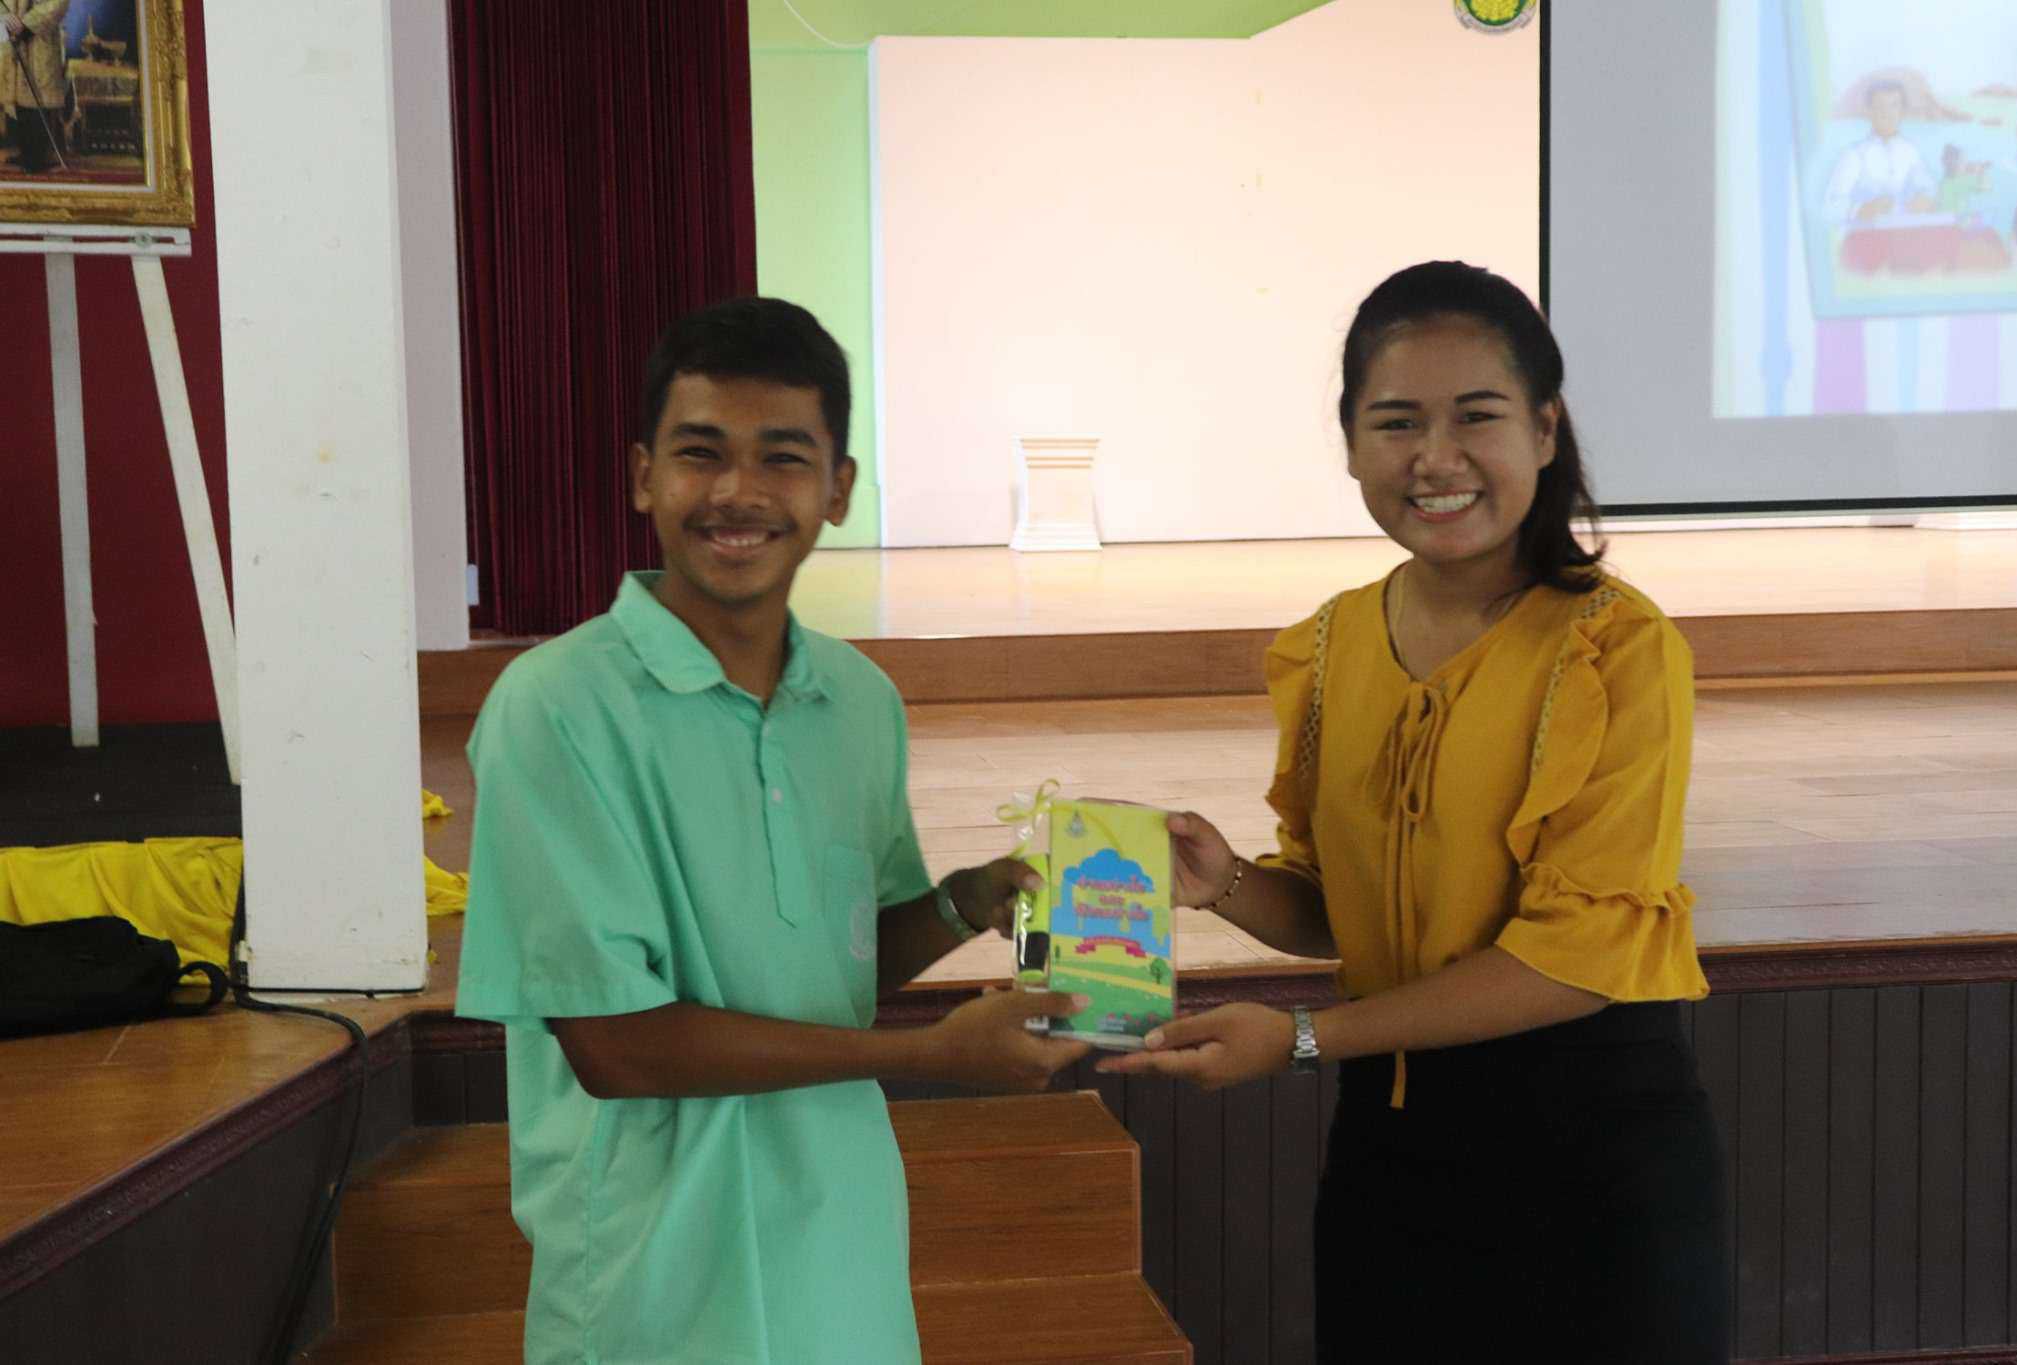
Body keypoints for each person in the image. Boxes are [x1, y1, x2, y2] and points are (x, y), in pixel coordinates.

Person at [1100, 262, 1729, 1362]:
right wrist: (1226, 883)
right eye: (1396, 423)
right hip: (1389, 1157)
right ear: (1350, 445)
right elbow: (1344, 913)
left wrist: (1302, 1038)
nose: (1434, 458)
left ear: (1543, 429)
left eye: (1475, 416)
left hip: (1591, 1158)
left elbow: (1576, 958)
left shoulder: (1615, 648)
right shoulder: (1330, 643)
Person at [455, 297, 1093, 1364]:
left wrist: (957, 906)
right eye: (700, 452)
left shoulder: (857, 701)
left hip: (837, 1254)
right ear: (642, 476)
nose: (737, 493)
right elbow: (612, 1043)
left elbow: (834, 962)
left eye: (783, 458)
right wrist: (931, 1054)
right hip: (651, 1281)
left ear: (837, 488)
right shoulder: (555, 707)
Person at [1823, 79, 1938, 225]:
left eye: (1894, 106)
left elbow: (1928, 189)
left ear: (1902, 111)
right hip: (1864, 235)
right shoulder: (1855, 155)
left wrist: (1925, 199)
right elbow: (1830, 207)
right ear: (1869, 111)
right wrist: (1861, 210)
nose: (1887, 113)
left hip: (1904, 233)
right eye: (1880, 106)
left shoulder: (1910, 152)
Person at [1, 0, 70, 174]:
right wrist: (5, 18)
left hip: (39, 40)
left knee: (37, 99)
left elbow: (57, 4)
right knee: (18, 101)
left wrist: (26, 24)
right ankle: (26, 152)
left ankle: (37, 157)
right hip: (10, 39)